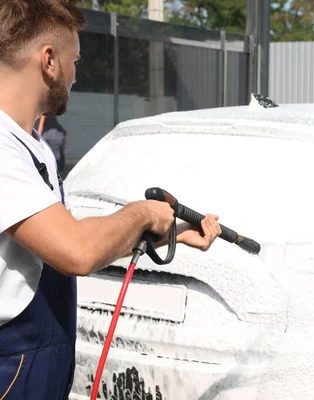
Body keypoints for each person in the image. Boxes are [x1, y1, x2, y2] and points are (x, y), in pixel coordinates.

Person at [0, 1, 222, 399]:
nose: (74, 76)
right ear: (49, 61)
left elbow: (54, 239)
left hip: (33, 369)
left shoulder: (30, 145)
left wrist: (169, 232)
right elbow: (77, 251)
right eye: (75, 61)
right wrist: (141, 214)